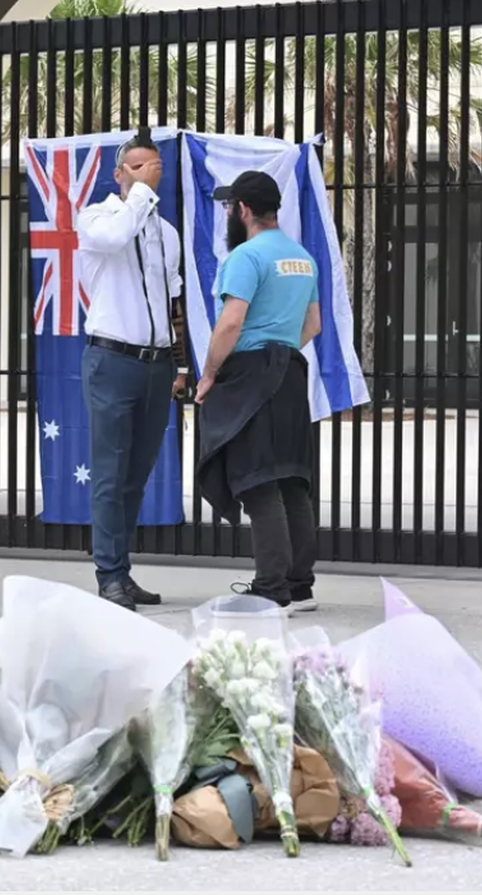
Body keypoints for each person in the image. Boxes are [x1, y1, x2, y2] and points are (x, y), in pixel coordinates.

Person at [194, 170, 323, 612]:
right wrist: (279, 348)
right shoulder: (302, 257)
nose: (229, 213)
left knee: (259, 482)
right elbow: (313, 325)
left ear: (243, 210)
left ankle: (271, 589)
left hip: (251, 373)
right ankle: (299, 585)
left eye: (230, 207)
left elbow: (231, 322)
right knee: (290, 478)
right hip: (290, 371)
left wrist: (210, 372)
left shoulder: (246, 257)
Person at [74, 132, 190, 611]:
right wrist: (140, 192)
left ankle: (122, 567)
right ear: (118, 175)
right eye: (137, 167)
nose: (149, 174)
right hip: (112, 360)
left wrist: (179, 363)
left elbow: (172, 303)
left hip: (155, 365)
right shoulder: (97, 217)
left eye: (155, 167)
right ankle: (109, 575)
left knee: (135, 476)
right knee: (109, 473)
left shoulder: (167, 233)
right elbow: (116, 236)